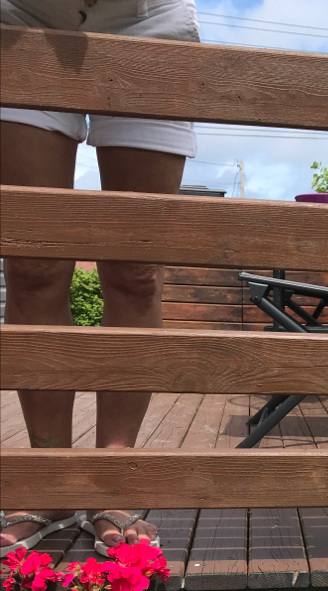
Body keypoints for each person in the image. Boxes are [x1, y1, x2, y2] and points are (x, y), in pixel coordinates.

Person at [0, 0, 201, 556]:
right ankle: (49, 486)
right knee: (32, 264)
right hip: (23, 14)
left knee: (136, 273)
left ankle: (112, 483)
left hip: (147, 14)